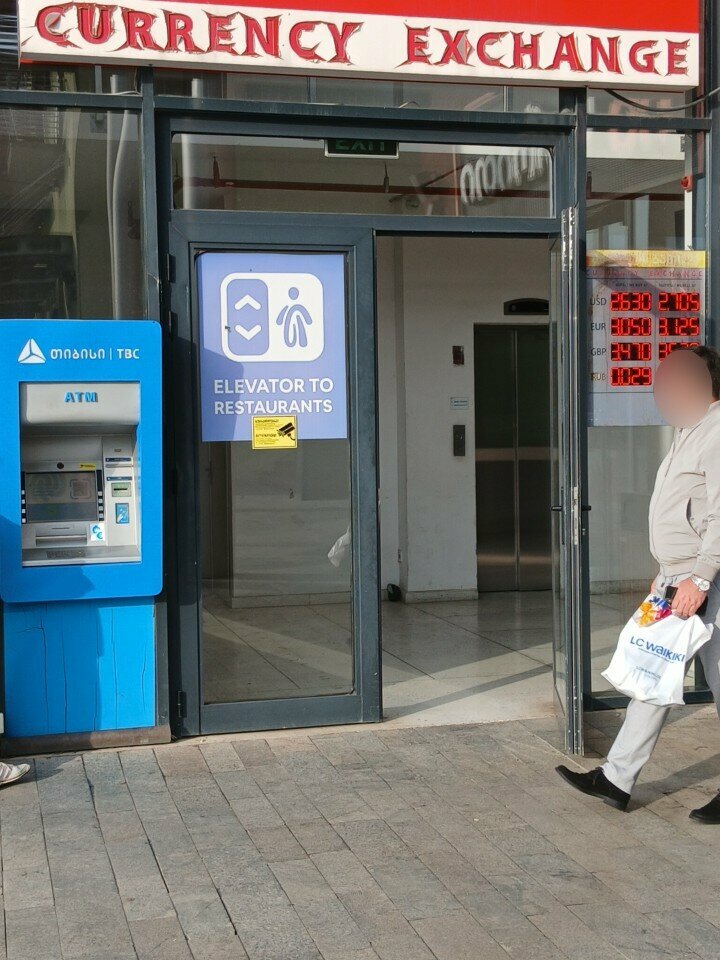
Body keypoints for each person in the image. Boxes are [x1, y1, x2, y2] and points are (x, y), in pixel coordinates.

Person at [557, 345, 720, 823]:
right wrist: (667, 570)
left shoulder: (715, 431)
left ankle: (617, 776)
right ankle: (616, 778)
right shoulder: (691, 430)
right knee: (653, 674)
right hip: (680, 576)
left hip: (705, 581)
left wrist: (699, 576)